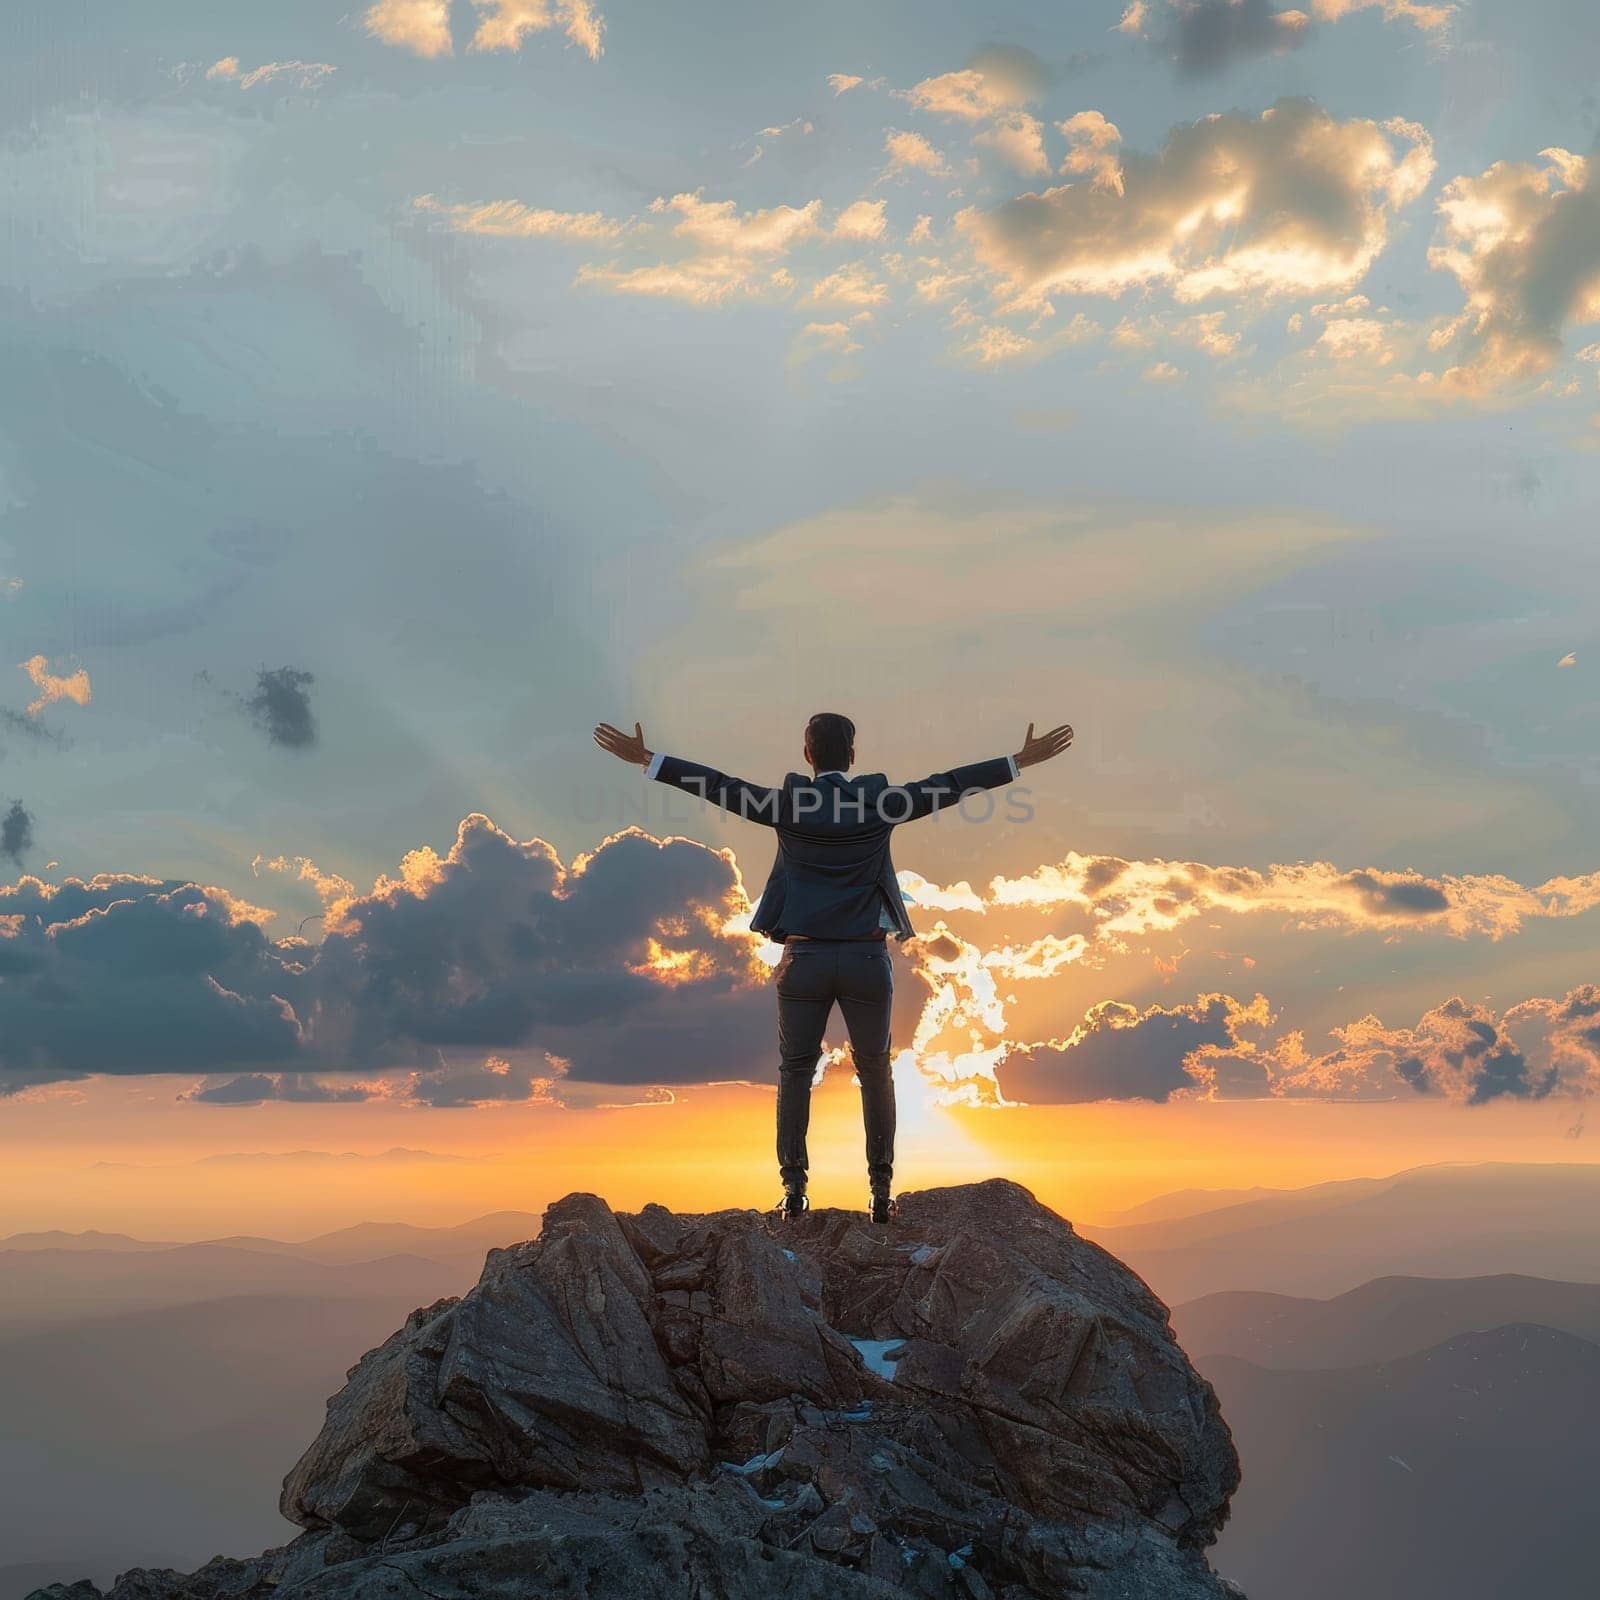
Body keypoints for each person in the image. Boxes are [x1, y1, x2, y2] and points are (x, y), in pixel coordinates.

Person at [593, 712, 1074, 1222]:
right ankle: (881, 1191)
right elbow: (948, 786)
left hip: (805, 959)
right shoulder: (879, 803)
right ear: (852, 756)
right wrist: (1018, 761)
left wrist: (648, 760)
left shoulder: (786, 805)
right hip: (867, 958)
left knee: (795, 1072)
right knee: (875, 1072)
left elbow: (718, 787)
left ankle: (795, 1191)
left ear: (807, 755)